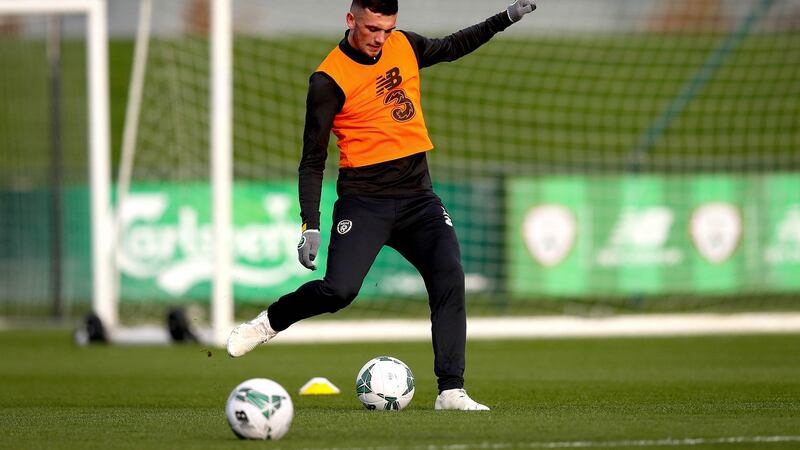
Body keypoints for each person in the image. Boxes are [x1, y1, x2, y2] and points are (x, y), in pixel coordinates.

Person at [227, 0, 537, 411]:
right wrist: (310, 224)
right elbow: (312, 160)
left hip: (418, 199)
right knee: (339, 291)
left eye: (387, 29)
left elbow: (453, 45)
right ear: (351, 19)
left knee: (449, 274)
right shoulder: (327, 81)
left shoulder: (404, 45)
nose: (379, 38)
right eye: (372, 28)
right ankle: (267, 323)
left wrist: (506, 18)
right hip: (364, 203)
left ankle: (451, 391)